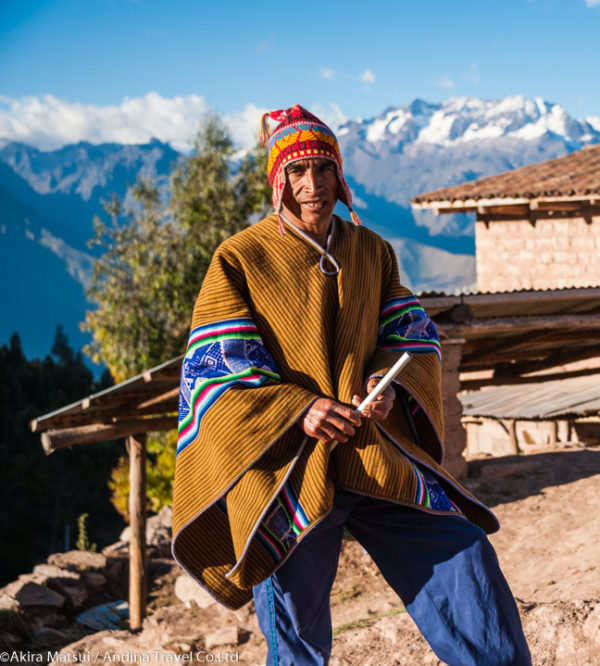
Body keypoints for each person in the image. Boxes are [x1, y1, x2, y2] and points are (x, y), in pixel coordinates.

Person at [171, 105, 531, 665]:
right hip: (290, 470)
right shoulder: (241, 259)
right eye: (296, 173)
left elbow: (412, 334)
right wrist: (300, 409)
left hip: (370, 451)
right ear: (277, 182)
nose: (311, 186)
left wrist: (390, 383)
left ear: (340, 177)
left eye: (322, 170)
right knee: (296, 630)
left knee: (463, 553)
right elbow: (216, 370)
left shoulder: (371, 251)